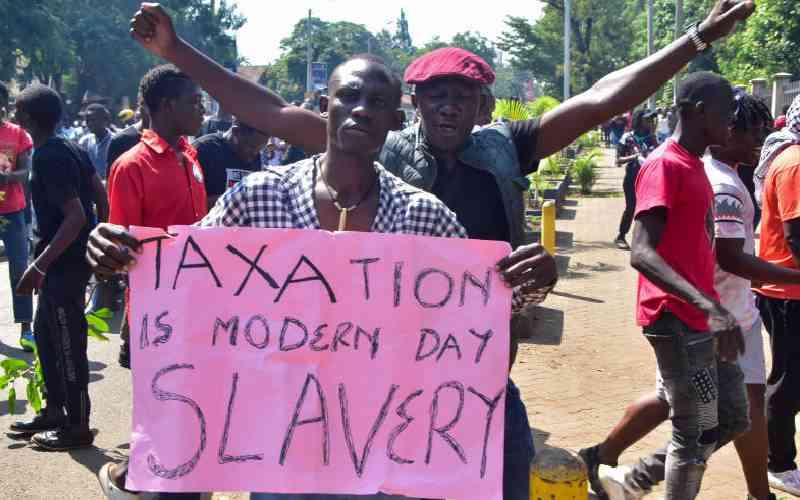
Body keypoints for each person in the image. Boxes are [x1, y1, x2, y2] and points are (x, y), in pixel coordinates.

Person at [123, 2, 753, 498]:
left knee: (504, 480)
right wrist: (175, 51)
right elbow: (264, 107)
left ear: (483, 105)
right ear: (413, 106)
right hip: (354, 384)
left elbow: (602, 99)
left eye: (463, 95)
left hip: (471, 375)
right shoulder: (373, 143)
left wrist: (695, 39)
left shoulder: (507, 147)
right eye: (435, 95)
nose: (449, 106)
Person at [89, 54, 472, 500]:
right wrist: (116, 250)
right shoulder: (259, 196)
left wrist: (523, 280)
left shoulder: (423, 216)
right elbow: (179, 267)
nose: (362, 109)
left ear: (395, 119)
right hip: (278, 450)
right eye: (349, 96)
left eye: (378, 102)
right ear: (326, 107)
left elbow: (481, 304)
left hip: (379, 454)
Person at [580, 90, 787, 500]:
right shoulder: (665, 164)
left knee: (732, 417)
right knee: (693, 435)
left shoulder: (696, 165)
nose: (731, 124)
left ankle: (621, 474)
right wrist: (709, 305)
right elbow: (641, 252)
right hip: (675, 319)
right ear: (699, 112)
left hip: (705, 320)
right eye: (726, 115)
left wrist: (715, 310)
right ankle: (627, 477)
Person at [98, 63, 208, 500]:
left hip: (199, 305)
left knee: (192, 405)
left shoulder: (191, 157)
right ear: (167, 106)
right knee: (162, 409)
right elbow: (121, 250)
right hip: (156, 313)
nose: (202, 110)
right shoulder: (131, 166)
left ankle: (151, 480)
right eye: (194, 103)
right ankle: (128, 481)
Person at [8, 84, 106, 450]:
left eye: (17, 110)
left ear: (28, 118)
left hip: (62, 267)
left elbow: (76, 216)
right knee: (46, 337)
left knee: (67, 345)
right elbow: (99, 194)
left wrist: (38, 267)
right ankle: (54, 411)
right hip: (64, 264)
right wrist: (100, 241)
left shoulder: (50, 155)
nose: (13, 114)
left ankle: (77, 426)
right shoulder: (71, 147)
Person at [752, 94, 800, 497]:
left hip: (786, 286)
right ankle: (779, 463)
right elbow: (796, 236)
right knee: (788, 378)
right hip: (787, 289)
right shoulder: (795, 163)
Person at [0, 81, 35, 349]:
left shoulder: (18, 134)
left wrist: (7, 177)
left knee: (19, 269)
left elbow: (26, 172)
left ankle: (26, 328)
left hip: (12, 212)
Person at [193, 116, 269, 207]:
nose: (255, 153)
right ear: (236, 132)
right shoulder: (203, 149)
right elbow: (190, 201)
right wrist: (234, 199)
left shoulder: (255, 157)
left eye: (260, 149)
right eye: (252, 147)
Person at [614, 109, 658, 250]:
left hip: (649, 179)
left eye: (651, 119)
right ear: (638, 120)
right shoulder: (628, 137)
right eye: (647, 119)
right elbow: (618, 160)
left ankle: (645, 240)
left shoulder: (652, 138)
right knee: (631, 207)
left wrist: (654, 141)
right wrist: (634, 157)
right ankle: (621, 236)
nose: (650, 122)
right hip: (632, 178)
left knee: (649, 209)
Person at [79, 103, 114, 179]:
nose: (90, 123)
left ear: (104, 120)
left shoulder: (115, 141)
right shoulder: (84, 142)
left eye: (93, 120)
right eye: (87, 120)